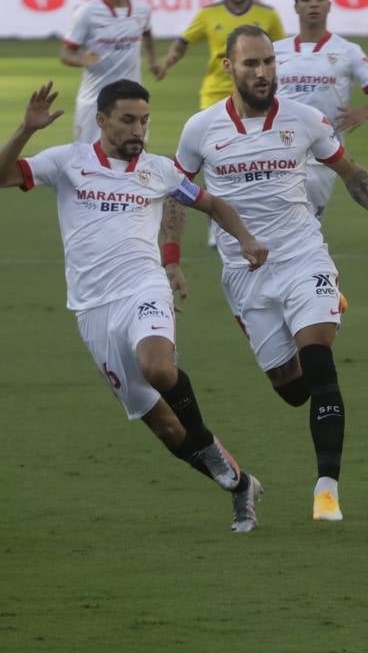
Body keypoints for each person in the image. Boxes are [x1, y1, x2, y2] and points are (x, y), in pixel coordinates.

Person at [162, 25, 368, 523]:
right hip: (245, 276)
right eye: (251, 64)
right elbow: (177, 195)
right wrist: (171, 259)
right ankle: (312, 318)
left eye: (269, 62)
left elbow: (352, 173)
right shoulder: (201, 129)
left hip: (303, 257)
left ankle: (326, 491)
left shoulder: (305, 120)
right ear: (228, 68)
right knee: (292, 390)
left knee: (319, 361)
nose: (262, 72)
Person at [0, 79, 268, 532]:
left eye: (144, 120)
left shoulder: (159, 171)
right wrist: (25, 130)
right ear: (102, 120)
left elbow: (212, 204)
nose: (137, 130)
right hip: (92, 309)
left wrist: (246, 239)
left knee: (159, 369)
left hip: (144, 287)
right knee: (166, 428)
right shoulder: (69, 162)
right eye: (127, 120)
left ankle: (205, 441)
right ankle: (242, 487)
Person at [157, 0, 285, 249]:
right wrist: (167, 62)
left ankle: (257, 215)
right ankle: (219, 223)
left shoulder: (267, 15)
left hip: (255, 97)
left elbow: (282, 51)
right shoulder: (208, 14)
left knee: (251, 157)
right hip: (215, 95)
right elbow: (184, 40)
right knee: (213, 159)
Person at [274, 0, 368, 220]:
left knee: (305, 227)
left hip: (323, 158)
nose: (313, 4)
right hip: (278, 153)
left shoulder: (348, 51)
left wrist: (364, 112)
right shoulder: (276, 51)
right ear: (296, 7)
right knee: (274, 226)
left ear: (329, 5)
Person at [60, 0, 159, 144]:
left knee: (135, 154)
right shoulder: (87, 12)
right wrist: (81, 59)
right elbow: (65, 54)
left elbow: (147, 34)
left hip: (133, 100)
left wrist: (152, 62)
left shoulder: (142, 9)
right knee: (86, 158)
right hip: (94, 102)